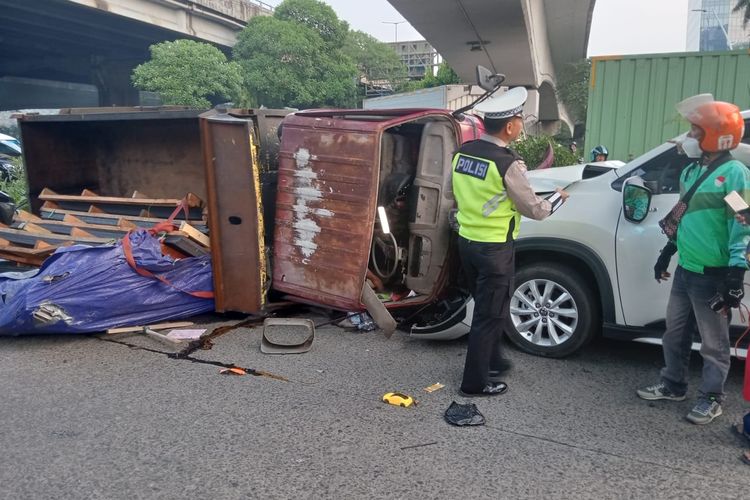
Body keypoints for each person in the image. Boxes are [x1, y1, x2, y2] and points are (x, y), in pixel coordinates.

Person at [637, 94, 749, 425]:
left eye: (696, 132)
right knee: (674, 331)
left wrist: (735, 273)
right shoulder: (691, 172)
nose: (690, 138)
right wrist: (667, 253)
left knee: (714, 343)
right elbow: (684, 218)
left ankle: (712, 397)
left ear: (717, 135)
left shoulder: (733, 175)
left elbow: (741, 225)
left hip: (713, 274)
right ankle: (673, 384)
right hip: (687, 269)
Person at [451, 87, 568, 396]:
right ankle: (475, 383)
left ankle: (495, 360)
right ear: (510, 126)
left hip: (467, 242)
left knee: (491, 307)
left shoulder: (463, 152)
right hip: (494, 249)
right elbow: (534, 210)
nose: (520, 124)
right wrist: (558, 198)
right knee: (489, 316)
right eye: (519, 119)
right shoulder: (507, 163)